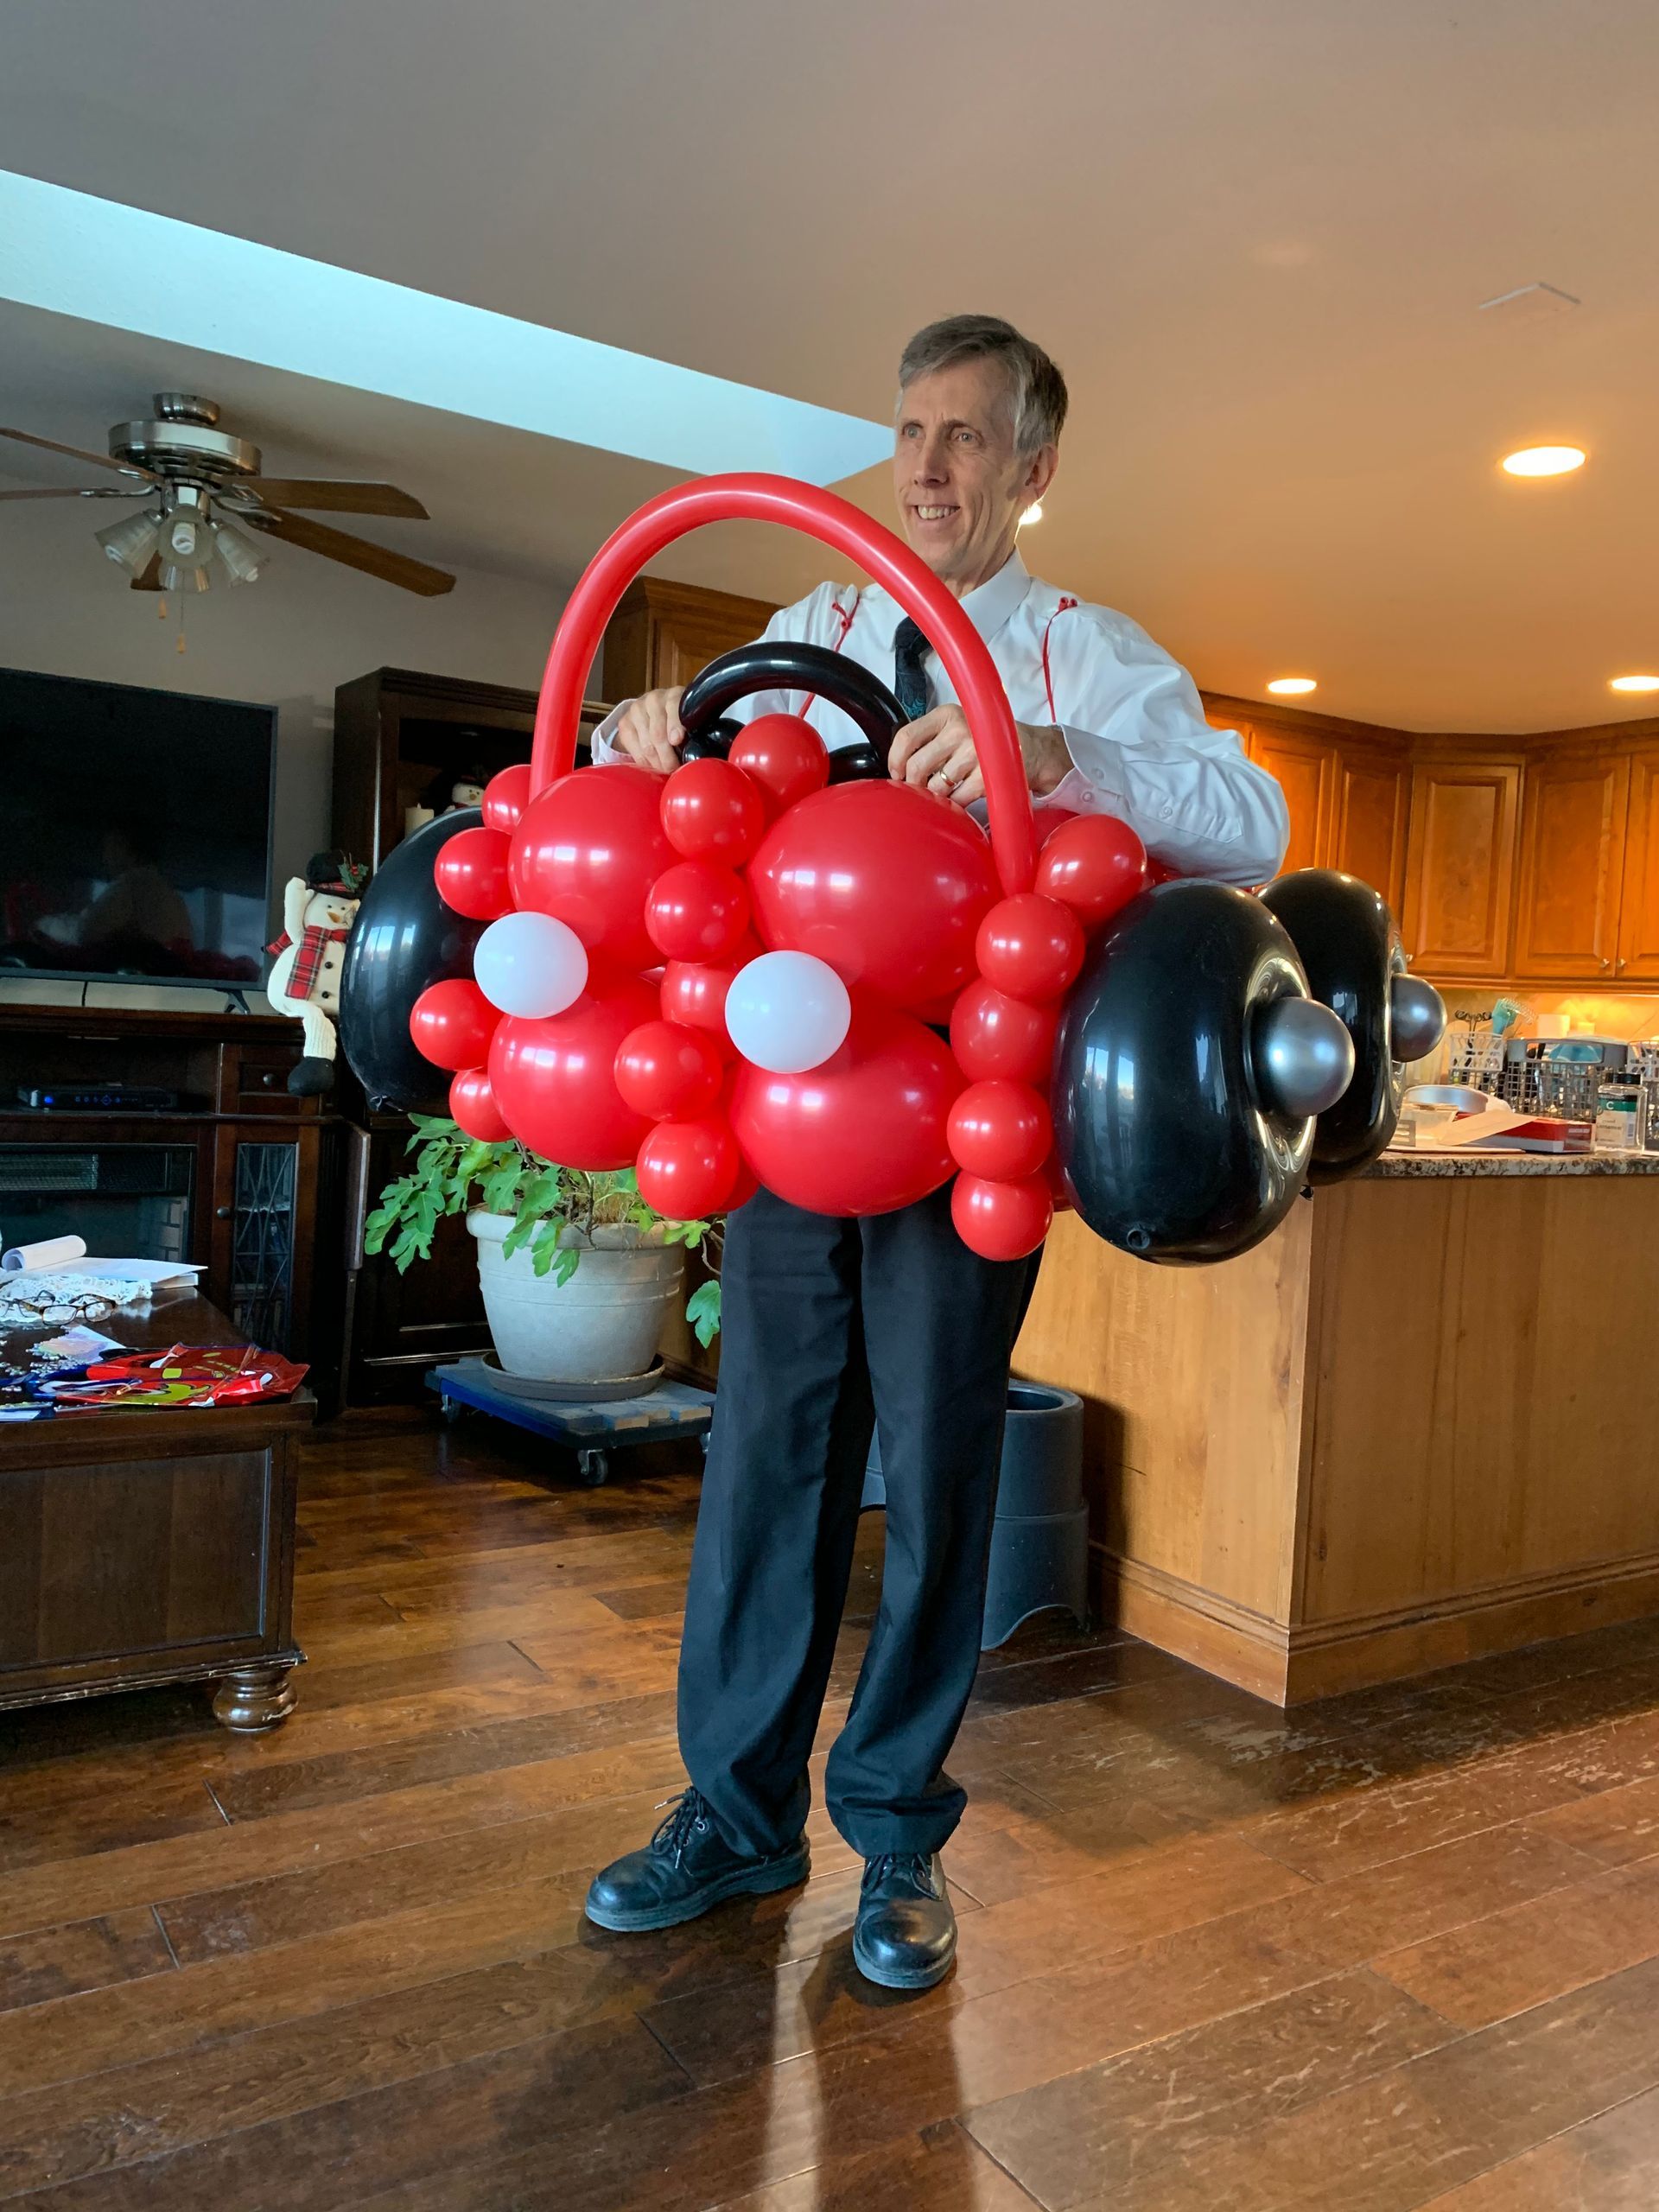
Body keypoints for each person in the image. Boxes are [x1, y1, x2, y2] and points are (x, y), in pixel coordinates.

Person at [582, 315, 1287, 1990]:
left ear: (1034, 469)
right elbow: (705, 805)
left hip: (970, 1119)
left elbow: (1250, 820)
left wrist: (1062, 756)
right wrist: (643, 730)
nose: (925, 466)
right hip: (782, 1111)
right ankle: (735, 1813)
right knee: (764, 1452)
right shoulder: (811, 621)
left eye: (967, 438)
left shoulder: (1081, 649)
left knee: (943, 1460)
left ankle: (898, 1839)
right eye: (910, 430)